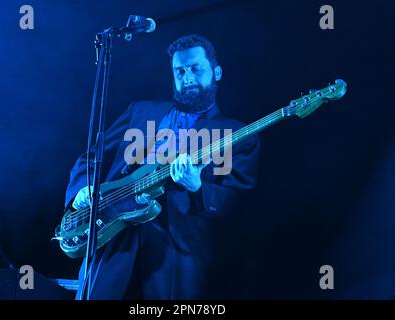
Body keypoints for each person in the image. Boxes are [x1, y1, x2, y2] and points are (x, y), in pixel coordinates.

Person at [65, 34, 260, 299]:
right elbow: (91, 156)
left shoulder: (235, 132)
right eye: (179, 71)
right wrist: (81, 190)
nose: (187, 76)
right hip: (113, 232)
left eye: (195, 68)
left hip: (177, 245)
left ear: (216, 72)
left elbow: (235, 202)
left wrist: (198, 186)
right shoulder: (140, 111)